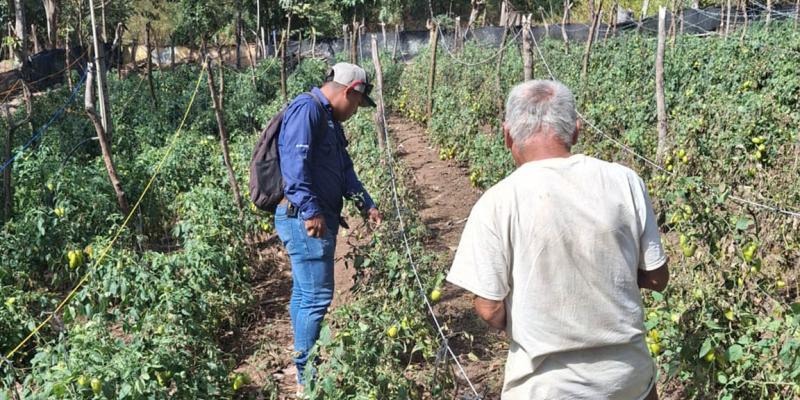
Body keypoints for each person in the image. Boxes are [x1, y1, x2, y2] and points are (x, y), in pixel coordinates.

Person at [446, 80, 669, 399]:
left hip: (548, 387)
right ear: (576, 130)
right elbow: (658, 277)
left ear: (507, 134)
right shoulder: (624, 181)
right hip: (628, 379)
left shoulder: (497, 202)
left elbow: (489, 308)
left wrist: (534, 310)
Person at [274, 62, 382, 394]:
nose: (356, 112)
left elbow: (344, 169)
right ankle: (308, 378)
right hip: (304, 219)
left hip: (309, 216)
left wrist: (366, 202)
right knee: (317, 297)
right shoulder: (307, 110)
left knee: (305, 294)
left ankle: (302, 363)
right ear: (350, 91)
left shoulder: (328, 120)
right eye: (358, 104)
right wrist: (311, 211)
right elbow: (294, 165)